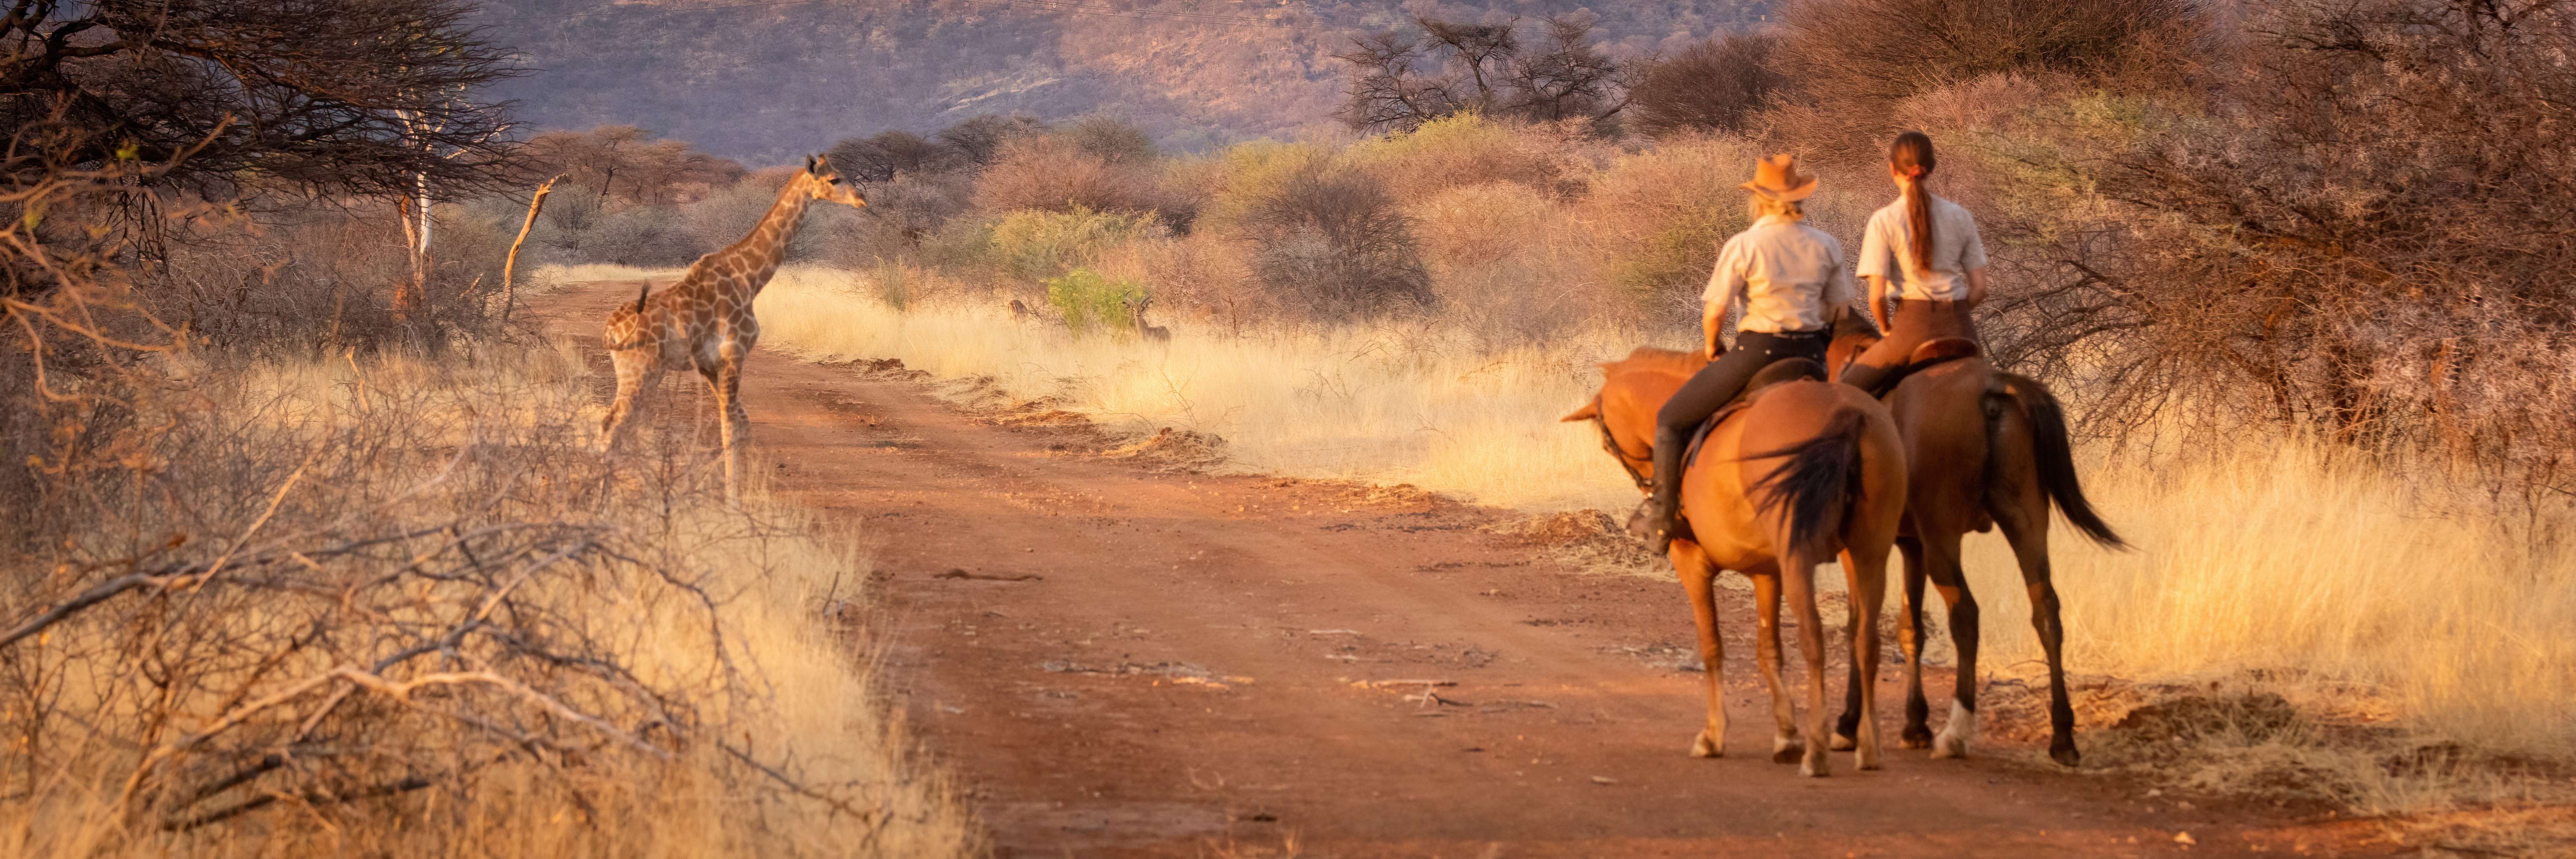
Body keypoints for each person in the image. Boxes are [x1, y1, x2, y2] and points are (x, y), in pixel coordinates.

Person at [1637, 153, 1858, 555]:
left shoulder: (1745, 244)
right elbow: (1838, 311)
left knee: (1670, 419)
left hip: (1758, 351)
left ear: (1758, 198)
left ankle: (1662, 518)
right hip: (1812, 357)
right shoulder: (1826, 244)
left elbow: (1715, 312)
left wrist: (1712, 346)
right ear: (1798, 198)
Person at [1839, 130, 1987, 394]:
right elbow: (1979, 289)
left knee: (1844, 392)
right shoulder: (1960, 216)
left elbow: (1877, 297)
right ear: (1932, 168)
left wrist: (1886, 331)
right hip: (1962, 328)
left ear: (1892, 169)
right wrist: (1956, 314)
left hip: (1912, 330)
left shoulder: (1884, 220)